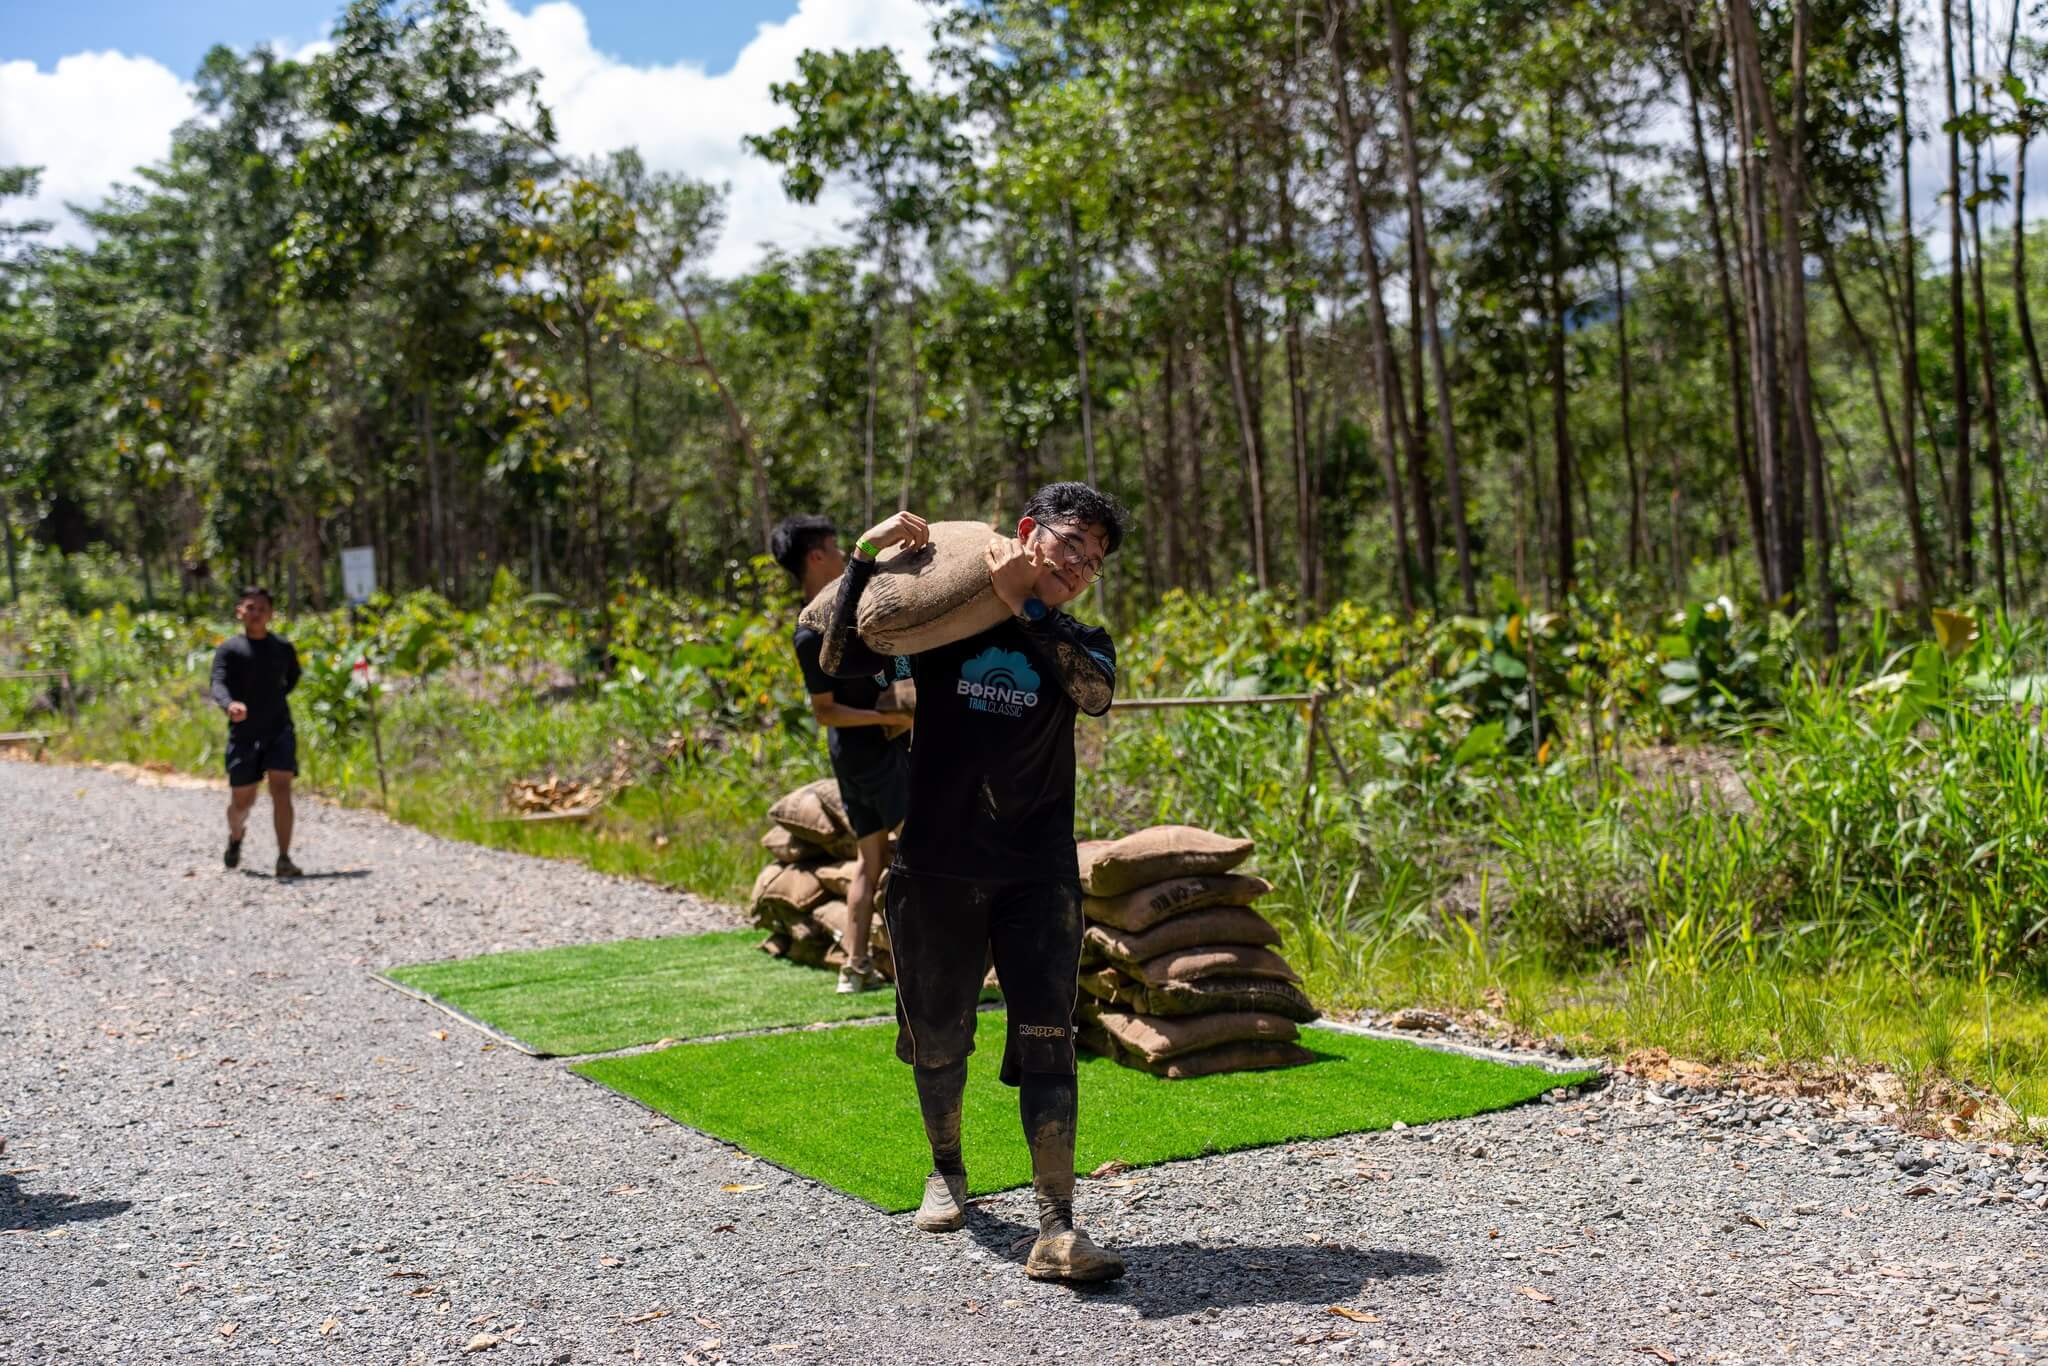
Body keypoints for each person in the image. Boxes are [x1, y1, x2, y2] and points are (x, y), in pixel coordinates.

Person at [820, 482, 1126, 1284]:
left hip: (1038, 872)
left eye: (1094, 561)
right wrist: (862, 556)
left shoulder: (1077, 640)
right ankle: (947, 1170)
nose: (1081, 567)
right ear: (1029, 532)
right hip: (936, 866)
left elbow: (1094, 695)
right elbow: (843, 662)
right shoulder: (947, 626)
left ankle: (1058, 1225)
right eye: (1071, 546)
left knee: (1047, 1036)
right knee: (939, 1032)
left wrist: (1028, 604)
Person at [771, 515, 914, 993]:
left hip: (856, 758)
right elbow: (827, 713)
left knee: (868, 861)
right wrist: (891, 720)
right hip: (872, 755)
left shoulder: (850, 609)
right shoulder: (812, 631)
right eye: (834, 548)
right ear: (815, 557)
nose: (840, 557)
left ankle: (854, 968)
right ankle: (933, 968)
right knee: (928, 850)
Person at [208, 586, 303, 878]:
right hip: (244, 735)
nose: (256, 614)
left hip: (278, 729)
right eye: (251, 608)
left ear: (271, 614)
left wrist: (272, 701)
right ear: (240, 612)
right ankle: (236, 835)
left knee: (282, 788)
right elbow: (217, 683)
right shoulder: (229, 650)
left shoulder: (282, 649)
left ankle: (284, 858)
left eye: (262, 608)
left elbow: (293, 678)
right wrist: (229, 704)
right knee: (242, 802)